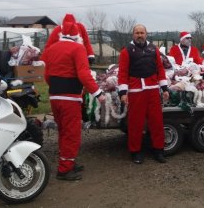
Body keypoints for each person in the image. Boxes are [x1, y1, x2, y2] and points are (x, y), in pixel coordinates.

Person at [41, 20, 106, 181]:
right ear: (77, 34)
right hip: (70, 97)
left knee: (63, 131)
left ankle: (68, 162)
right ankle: (64, 170)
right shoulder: (78, 48)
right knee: (72, 133)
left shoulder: (51, 49)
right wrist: (98, 93)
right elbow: (84, 74)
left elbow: (47, 75)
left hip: (55, 96)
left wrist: (55, 88)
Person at [118, 24, 169, 164]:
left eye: (142, 32)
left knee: (156, 122)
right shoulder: (126, 51)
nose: (139, 35)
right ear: (133, 34)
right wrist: (123, 92)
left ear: (146, 34)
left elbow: (160, 69)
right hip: (136, 91)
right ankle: (135, 152)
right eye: (137, 32)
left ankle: (158, 150)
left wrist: (164, 88)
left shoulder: (154, 49)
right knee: (136, 123)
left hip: (153, 90)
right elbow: (122, 72)